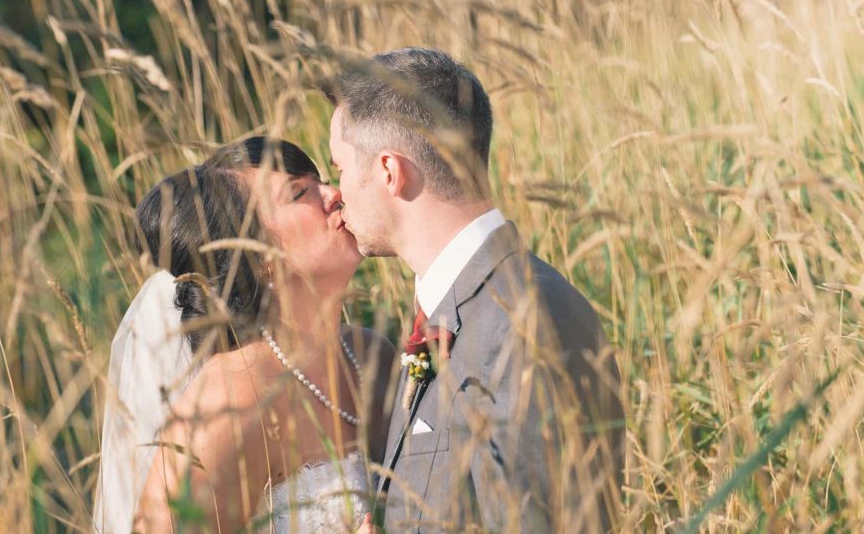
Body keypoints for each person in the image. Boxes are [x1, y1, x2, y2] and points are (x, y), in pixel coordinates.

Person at [326, 47, 626, 532]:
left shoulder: (524, 324)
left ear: (388, 172)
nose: (335, 191)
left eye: (337, 165)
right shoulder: (455, 304)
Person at [93, 137, 397, 533]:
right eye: (300, 193)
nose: (334, 193)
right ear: (258, 257)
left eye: (321, 179)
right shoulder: (227, 407)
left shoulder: (374, 357)